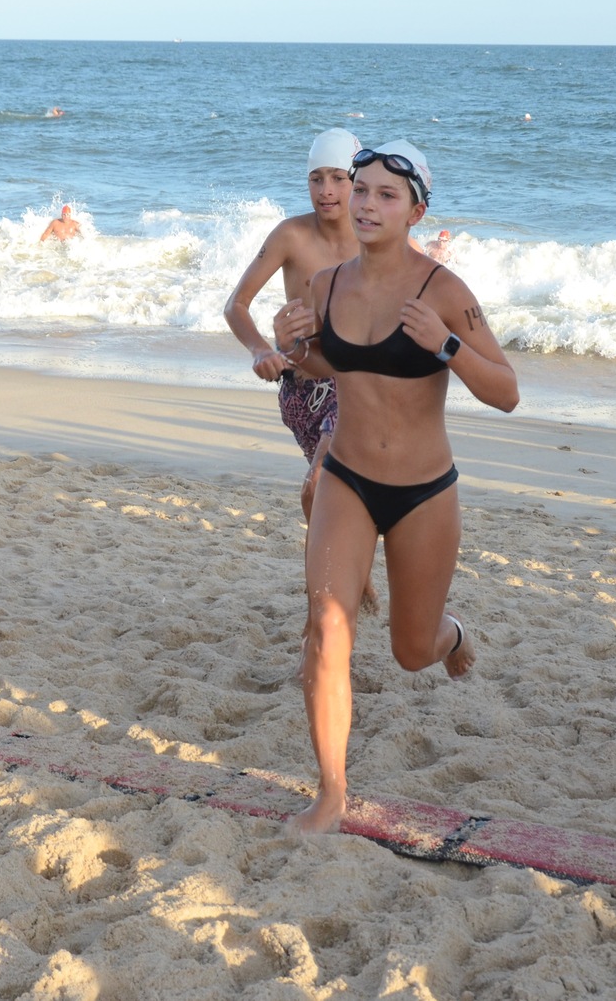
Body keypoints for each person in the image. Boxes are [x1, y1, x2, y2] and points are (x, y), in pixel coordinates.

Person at [273, 140, 518, 834]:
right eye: (361, 190)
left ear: (416, 211)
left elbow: (506, 392)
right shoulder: (326, 285)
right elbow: (319, 363)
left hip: (423, 491)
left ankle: (455, 634)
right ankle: (331, 792)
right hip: (346, 477)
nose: (367, 203)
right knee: (327, 628)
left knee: (412, 651)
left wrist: (446, 342)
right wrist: (287, 346)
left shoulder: (443, 291)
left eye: (386, 194)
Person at [224, 129, 361, 523]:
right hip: (298, 395)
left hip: (349, 387)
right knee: (331, 499)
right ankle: (354, 581)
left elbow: (425, 285)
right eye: (316, 179)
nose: (326, 190)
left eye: (338, 178)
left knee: (318, 486)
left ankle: (342, 583)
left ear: (357, 183)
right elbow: (236, 304)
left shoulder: (376, 240)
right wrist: (261, 349)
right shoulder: (291, 235)